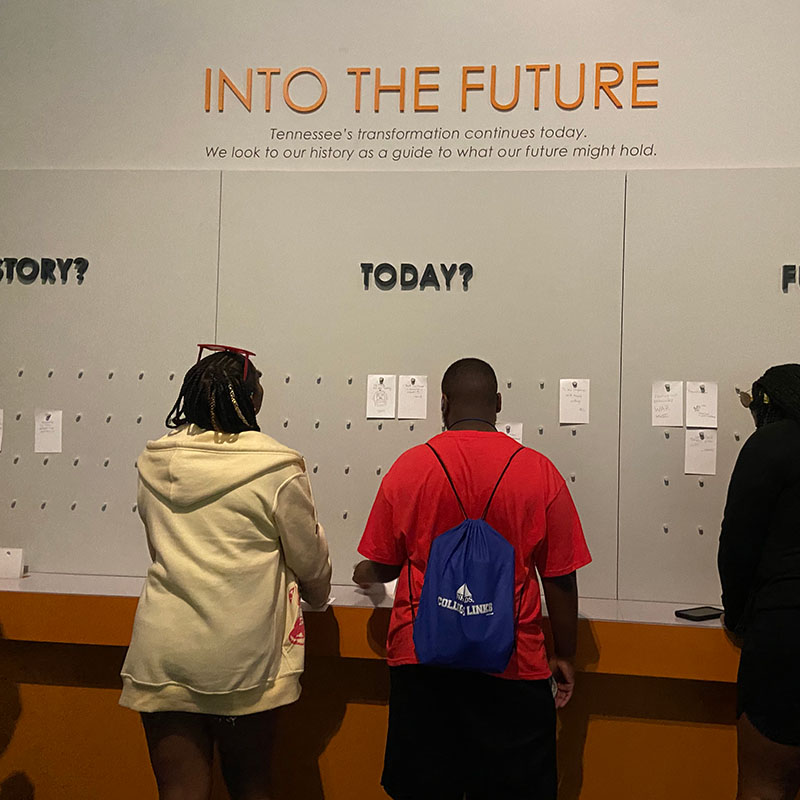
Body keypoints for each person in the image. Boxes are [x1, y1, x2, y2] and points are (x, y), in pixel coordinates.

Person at [353, 357, 591, 800]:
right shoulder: (540, 472)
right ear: (498, 404)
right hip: (514, 666)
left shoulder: (410, 468)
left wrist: (364, 572)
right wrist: (565, 654)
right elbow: (560, 577)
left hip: (422, 663)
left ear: (442, 405)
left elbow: (383, 565)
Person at [120, 344, 332, 800]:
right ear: (251, 401)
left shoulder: (153, 462)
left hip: (164, 649)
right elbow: (308, 560)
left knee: (179, 791)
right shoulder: (275, 467)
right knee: (250, 783)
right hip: (244, 657)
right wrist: (317, 594)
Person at [718, 364, 800, 800]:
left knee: (766, 781)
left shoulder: (770, 444)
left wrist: (737, 617)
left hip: (785, 630)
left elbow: (737, 545)